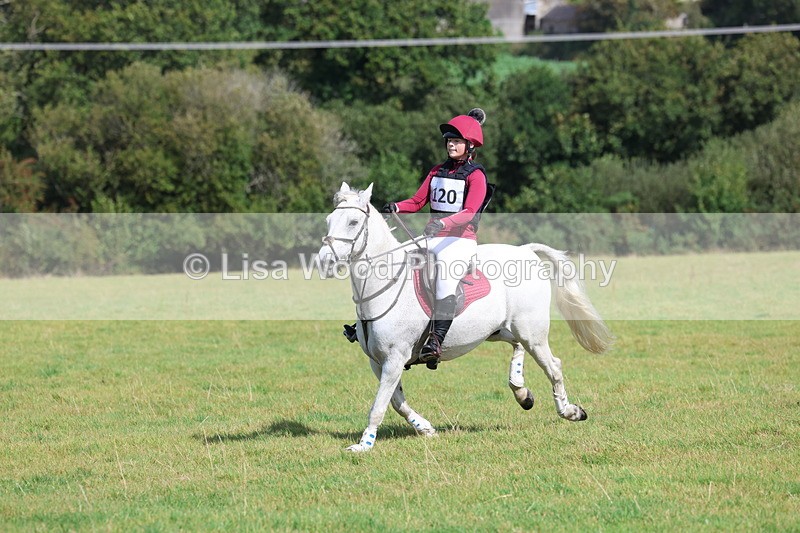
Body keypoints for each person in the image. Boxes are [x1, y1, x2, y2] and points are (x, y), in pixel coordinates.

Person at [344, 108, 492, 368]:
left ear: (470, 146)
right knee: (392, 260)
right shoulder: (437, 172)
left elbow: (469, 212)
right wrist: (397, 206)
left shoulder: (476, 175)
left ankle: (435, 340)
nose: (451, 145)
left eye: (456, 141)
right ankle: (368, 323)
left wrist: (444, 222)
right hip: (433, 237)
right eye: (449, 141)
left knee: (444, 277)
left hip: (460, 241)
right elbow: (417, 201)